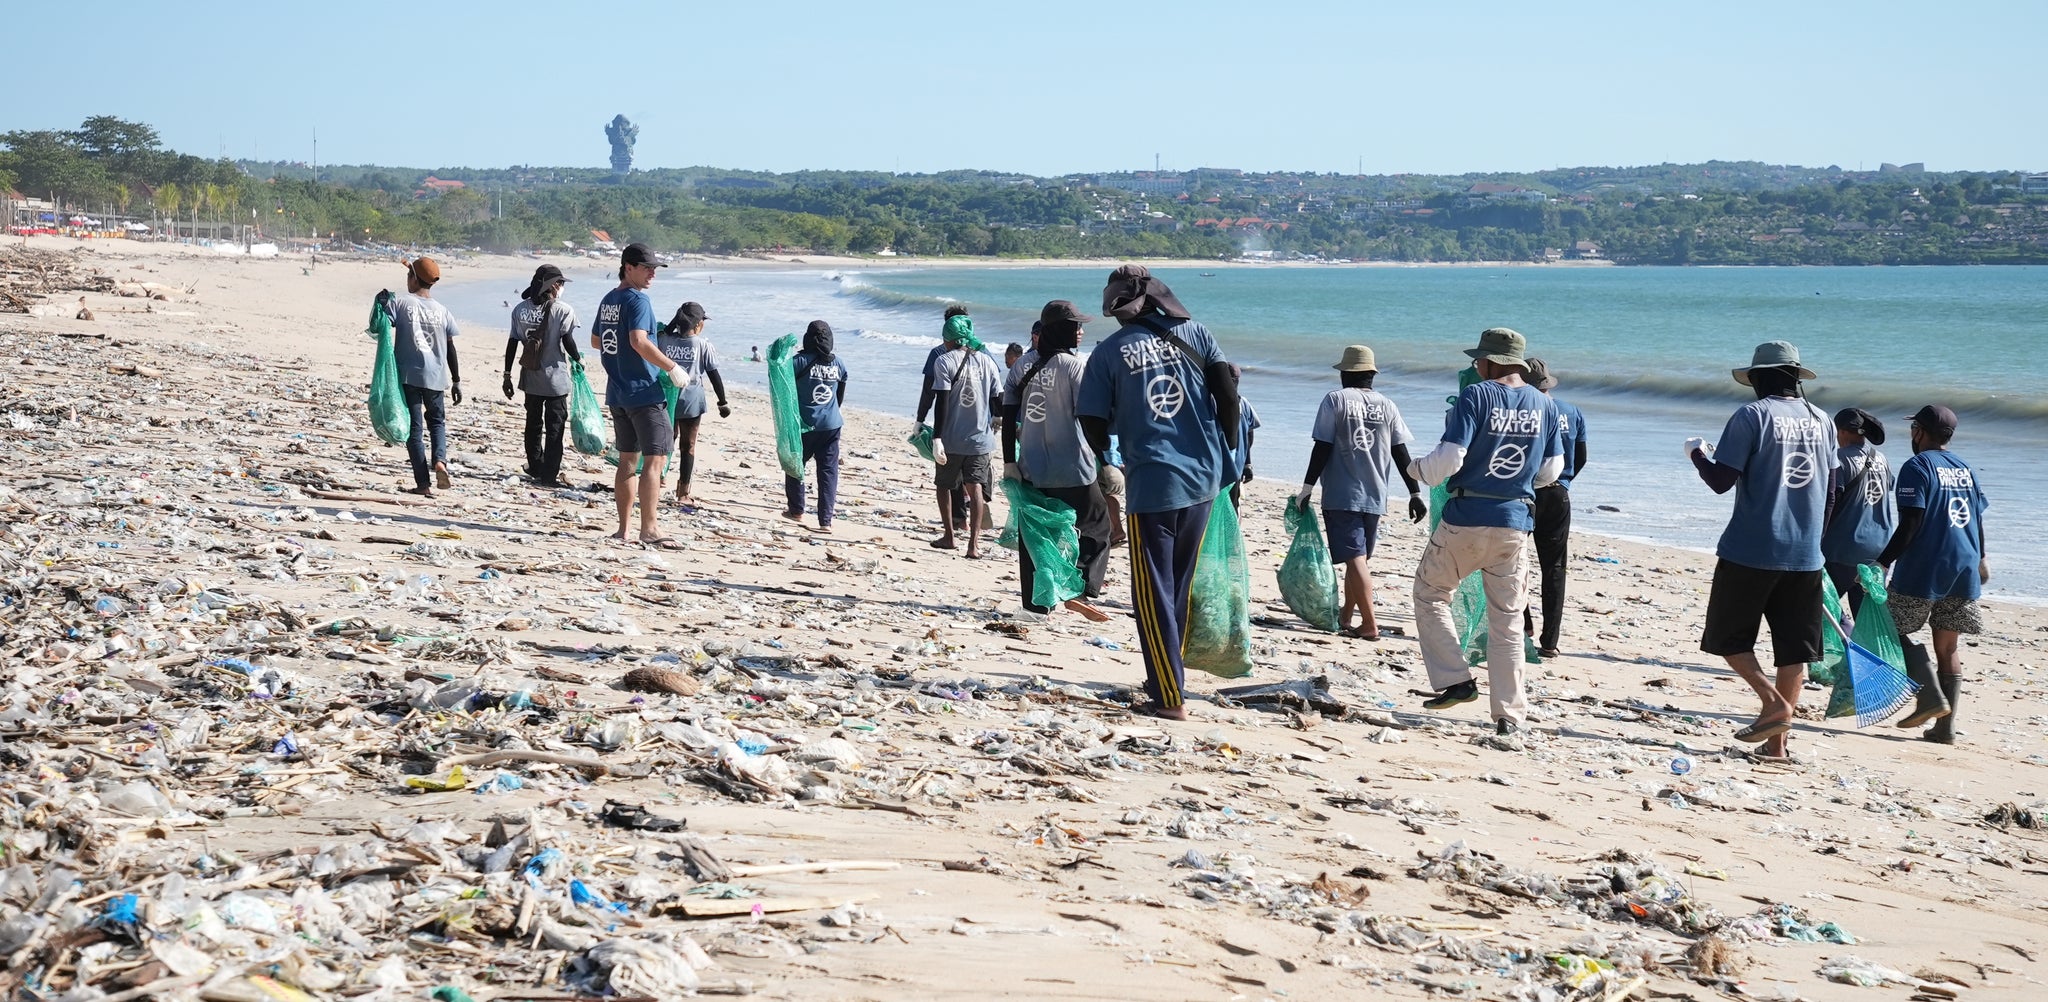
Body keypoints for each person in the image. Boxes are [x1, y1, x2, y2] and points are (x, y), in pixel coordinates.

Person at [1079, 265, 1239, 721]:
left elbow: (1090, 417)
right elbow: (1227, 396)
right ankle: (1167, 678)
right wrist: (1223, 447)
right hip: (1204, 479)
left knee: (1152, 593)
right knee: (1179, 585)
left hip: (1153, 482)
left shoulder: (1110, 352)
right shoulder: (1198, 333)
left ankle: (1169, 698)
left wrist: (1109, 452)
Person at [1406, 329, 1564, 736]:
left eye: (1479, 360)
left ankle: (1456, 679)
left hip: (1466, 518)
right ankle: (1509, 716)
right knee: (1508, 621)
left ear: (1492, 363)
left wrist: (1417, 470)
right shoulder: (1544, 404)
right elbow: (1551, 471)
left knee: (1430, 593)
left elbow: (1450, 458)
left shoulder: (1476, 396)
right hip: (1515, 524)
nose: (1475, 366)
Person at [1685, 341, 1831, 760]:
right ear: (1796, 378)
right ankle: (1776, 748)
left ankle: (1773, 704)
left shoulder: (1752, 416)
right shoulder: (1821, 419)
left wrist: (1697, 454)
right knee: (1793, 650)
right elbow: (1832, 488)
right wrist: (1814, 536)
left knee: (1727, 637)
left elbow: (1720, 480)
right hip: (1806, 553)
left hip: (1752, 548)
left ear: (1762, 378)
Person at [1298, 345, 1424, 640]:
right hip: (1376, 495)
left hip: (1343, 494)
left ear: (1345, 374)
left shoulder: (1335, 400)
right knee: (1360, 559)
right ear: (1371, 375)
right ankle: (1346, 615)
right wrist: (1415, 492)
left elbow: (1323, 446)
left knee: (1355, 559)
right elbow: (1400, 451)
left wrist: (1307, 487)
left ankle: (1369, 624)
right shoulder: (1388, 405)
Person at [1879, 404, 1988, 743]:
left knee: (1885, 631)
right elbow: (1976, 518)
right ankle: (1945, 729)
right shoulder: (1965, 468)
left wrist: (1882, 562)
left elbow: (1911, 523)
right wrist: (1982, 558)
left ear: (1919, 432)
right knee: (1948, 648)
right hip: (1964, 565)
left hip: (1926, 567)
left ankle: (1928, 697)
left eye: (1914, 429)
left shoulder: (1917, 466)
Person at [1002, 301, 1112, 618]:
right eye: (1075, 326)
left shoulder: (1022, 366)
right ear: (1061, 329)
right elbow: (1091, 417)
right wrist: (1105, 462)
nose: (1080, 331)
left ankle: (1035, 607)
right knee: (1097, 525)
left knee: (1035, 535)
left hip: (1031, 467)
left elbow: (1008, 416)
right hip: (1073, 467)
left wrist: (1010, 460)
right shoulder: (1075, 367)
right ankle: (1079, 588)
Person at [592, 243, 691, 548]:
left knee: (626, 461)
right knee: (654, 462)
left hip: (617, 391)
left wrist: (620, 357)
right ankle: (648, 528)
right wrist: (672, 367)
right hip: (644, 393)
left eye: (654, 269)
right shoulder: (638, 301)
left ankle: (623, 530)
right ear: (628, 267)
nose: (652, 274)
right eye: (646, 268)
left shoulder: (610, 299)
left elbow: (597, 341)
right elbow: (638, 341)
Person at [1520, 357, 1588, 658]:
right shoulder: (1572, 412)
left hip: (1524, 494)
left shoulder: (1524, 410)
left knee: (1513, 563)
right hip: (1559, 494)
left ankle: (1524, 624)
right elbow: (1581, 457)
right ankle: (1550, 641)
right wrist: (1565, 481)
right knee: (1555, 568)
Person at [381, 257, 462, 497]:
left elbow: (381, 325)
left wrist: (382, 303)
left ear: (415, 279)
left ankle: (423, 484)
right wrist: (457, 381)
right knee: (437, 423)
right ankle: (440, 461)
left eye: (408, 275)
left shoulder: (401, 304)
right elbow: (451, 349)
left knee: (414, 431)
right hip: (436, 377)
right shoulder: (443, 311)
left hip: (408, 376)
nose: (407, 280)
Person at [929, 312, 1004, 557]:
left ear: (948, 338)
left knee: (944, 485)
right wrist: (996, 419)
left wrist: (936, 437)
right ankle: (974, 545)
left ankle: (950, 536)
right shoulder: (987, 361)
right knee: (976, 490)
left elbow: (941, 401)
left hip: (951, 439)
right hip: (980, 440)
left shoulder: (944, 361)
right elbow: (998, 399)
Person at [503, 264, 580, 487]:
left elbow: (512, 343)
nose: (563, 287)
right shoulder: (563, 310)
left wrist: (507, 374)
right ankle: (549, 476)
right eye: (562, 283)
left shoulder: (520, 310)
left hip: (530, 378)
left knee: (533, 424)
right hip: (555, 380)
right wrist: (579, 360)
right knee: (555, 428)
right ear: (555, 285)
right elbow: (568, 341)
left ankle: (536, 467)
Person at [1821, 407, 1894, 616]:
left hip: (1843, 549)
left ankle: (1828, 648)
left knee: (1822, 609)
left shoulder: (1838, 459)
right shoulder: (1882, 459)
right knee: (1865, 618)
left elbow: (1830, 502)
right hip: (1879, 551)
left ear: (1842, 431)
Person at [656, 301, 730, 506]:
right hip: (691, 402)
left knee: (665, 441)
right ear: (698, 325)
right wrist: (722, 402)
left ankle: (658, 478)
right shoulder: (703, 345)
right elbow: (714, 375)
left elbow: (656, 348)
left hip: (665, 399)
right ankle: (683, 492)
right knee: (688, 446)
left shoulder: (663, 340)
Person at [784, 320, 847, 531]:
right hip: (831, 426)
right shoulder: (838, 364)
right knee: (828, 472)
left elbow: (782, 387)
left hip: (803, 426)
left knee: (795, 465)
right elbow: (839, 397)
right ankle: (826, 522)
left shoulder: (797, 362)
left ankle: (797, 511)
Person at [918, 305, 973, 533]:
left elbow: (928, 391)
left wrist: (920, 419)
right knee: (971, 470)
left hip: (950, 422)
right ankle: (973, 506)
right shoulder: (980, 351)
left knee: (950, 473)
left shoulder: (938, 354)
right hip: (977, 422)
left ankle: (960, 518)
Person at [1229, 369, 1260, 509]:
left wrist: (1247, 464)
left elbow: (1249, 433)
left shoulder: (1243, 403)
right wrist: (1247, 463)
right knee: (1231, 506)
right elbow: (1250, 433)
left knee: (1230, 505)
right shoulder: (1243, 403)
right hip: (1234, 466)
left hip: (1228, 467)